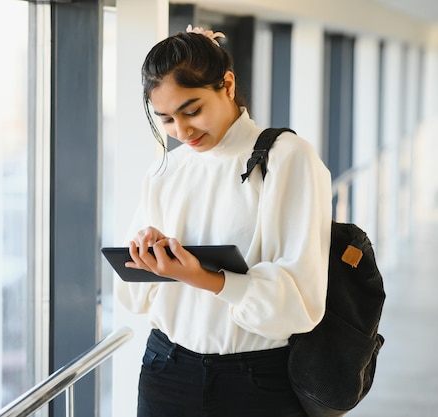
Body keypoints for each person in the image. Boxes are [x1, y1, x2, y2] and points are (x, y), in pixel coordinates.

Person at [115, 25, 332, 417]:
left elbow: (300, 302)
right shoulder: (167, 170)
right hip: (165, 369)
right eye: (165, 119)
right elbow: (133, 296)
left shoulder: (287, 158)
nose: (182, 132)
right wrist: (147, 248)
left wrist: (205, 278)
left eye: (192, 110)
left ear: (227, 85)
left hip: (256, 380)